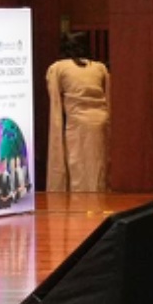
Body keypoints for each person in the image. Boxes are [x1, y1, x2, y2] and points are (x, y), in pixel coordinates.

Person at [45, 32, 111, 195]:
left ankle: (81, 207)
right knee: (99, 166)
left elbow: (54, 100)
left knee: (78, 168)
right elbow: (109, 97)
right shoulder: (100, 67)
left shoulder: (58, 68)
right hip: (102, 121)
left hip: (77, 123)